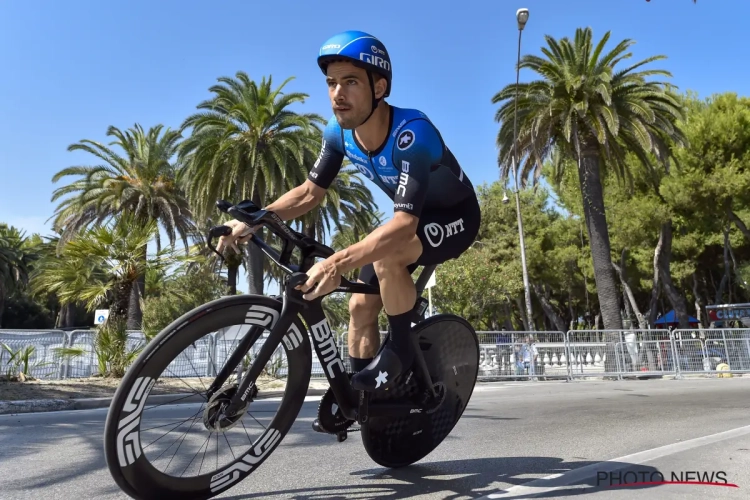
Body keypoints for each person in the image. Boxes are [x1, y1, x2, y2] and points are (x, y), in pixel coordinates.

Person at [216, 30, 480, 393]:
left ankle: (400, 352)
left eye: (351, 82)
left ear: (379, 87)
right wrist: (255, 219)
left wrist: (336, 263)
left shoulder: (412, 134)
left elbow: (403, 227)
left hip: (454, 218)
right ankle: (362, 395)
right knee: (359, 307)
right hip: (409, 222)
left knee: (389, 257)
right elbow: (309, 193)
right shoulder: (337, 134)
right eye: (331, 83)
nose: (338, 94)